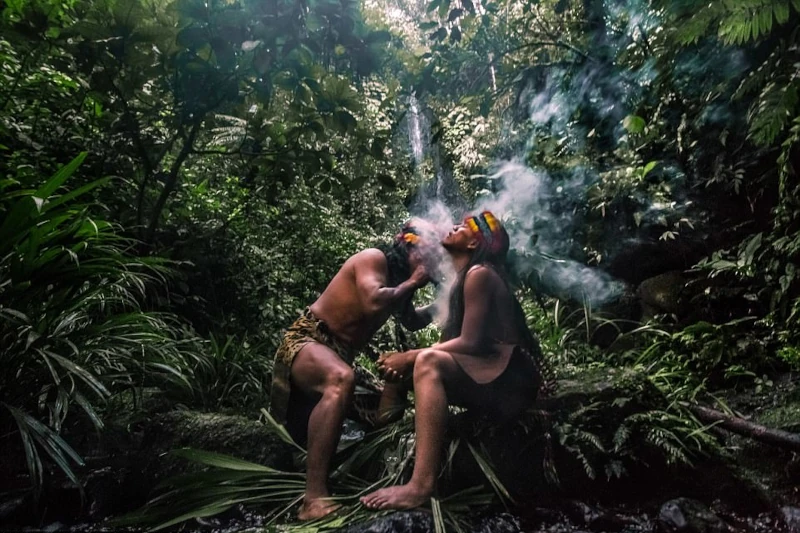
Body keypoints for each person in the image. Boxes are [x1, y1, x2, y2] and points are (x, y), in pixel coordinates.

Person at [360, 210, 546, 511]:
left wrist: (410, 356)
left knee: (426, 361)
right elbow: (418, 324)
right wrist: (411, 285)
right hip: (492, 374)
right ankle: (377, 441)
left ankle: (421, 486)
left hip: (509, 380)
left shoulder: (480, 274)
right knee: (403, 369)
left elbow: (470, 343)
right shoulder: (462, 280)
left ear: (473, 244)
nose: (453, 227)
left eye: (462, 227)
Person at [268, 223, 434, 521]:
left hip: (340, 358)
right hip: (308, 341)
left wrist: (446, 304)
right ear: (409, 247)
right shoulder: (373, 259)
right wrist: (414, 282)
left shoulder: (399, 283)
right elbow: (373, 301)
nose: (431, 261)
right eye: (428, 253)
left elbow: (411, 321)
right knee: (340, 378)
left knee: (387, 401)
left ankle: (369, 475)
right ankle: (313, 499)